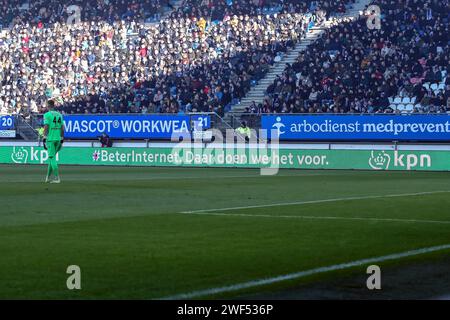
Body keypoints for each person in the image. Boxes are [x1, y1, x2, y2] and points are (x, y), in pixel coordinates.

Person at [43, 100, 64, 183]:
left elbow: (46, 127)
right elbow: (62, 128)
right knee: (52, 159)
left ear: (48, 105)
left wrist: (44, 138)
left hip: (51, 139)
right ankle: (47, 178)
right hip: (58, 139)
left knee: (52, 158)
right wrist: (62, 138)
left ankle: (57, 178)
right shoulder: (59, 115)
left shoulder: (47, 115)